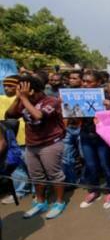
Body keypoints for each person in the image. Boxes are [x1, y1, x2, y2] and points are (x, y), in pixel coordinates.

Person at [6, 76, 67, 219]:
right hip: (32, 144)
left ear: (34, 91)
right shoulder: (24, 100)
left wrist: (25, 99)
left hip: (50, 143)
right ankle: (40, 202)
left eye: (25, 91)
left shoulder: (51, 101)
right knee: (36, 176)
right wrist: (18, 98)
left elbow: (38, 116)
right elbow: (10, 115)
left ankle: (59, 202)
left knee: (55, 175)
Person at [79, 70, 110, 209]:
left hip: (103, 137)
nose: (85, 84)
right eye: (84, 81)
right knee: (90, 165)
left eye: (89, 82)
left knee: (106, 164)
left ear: (98, 83)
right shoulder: (77, 97)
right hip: (86, 134)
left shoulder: (106, 97)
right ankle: (94, 191)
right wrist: (67, 107)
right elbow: (74, 117)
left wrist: (109, 108)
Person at [0, 76, 30, 204]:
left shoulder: (26, 99)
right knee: (16, 167)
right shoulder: (0, 99)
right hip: (8, 141)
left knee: (31, 166)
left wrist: (21, 97)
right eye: (5, 85)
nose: (7, 88)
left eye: (11, 86)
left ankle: (37, 191)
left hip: (26, 138)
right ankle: (20, 191)